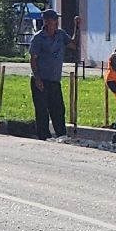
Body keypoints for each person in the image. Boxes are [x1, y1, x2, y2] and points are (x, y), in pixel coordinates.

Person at [27, 9, 81, 140]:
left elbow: (73, 45)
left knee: (58, 109)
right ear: (46, 22)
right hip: (41, 79)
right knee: (42, 110)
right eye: (52, 20)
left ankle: (61, 134)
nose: (55, 23)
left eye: (56, 20)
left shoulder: (60, 35)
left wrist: (77, 27)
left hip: (54, 79)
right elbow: (33, 59)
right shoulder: (39, 38)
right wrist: (37, 78)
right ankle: (43, 135)